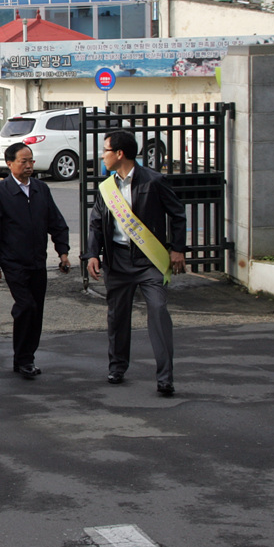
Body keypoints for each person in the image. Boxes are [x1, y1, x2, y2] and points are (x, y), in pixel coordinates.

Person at [82, 130, 187, 396]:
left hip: (149, 261)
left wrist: (177, 249)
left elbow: (177, 214)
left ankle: (165, 378)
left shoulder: (154, 181)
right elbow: (95, 223)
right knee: (117, 317)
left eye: (105, 150)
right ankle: (117, 366)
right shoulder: (107, 187)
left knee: (159, 311)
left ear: (119, 154)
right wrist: (92, 254)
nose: (102, 156)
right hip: (117, 261)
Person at [0, 143, 70, 379]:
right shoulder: (0, 193)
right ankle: (23, 359)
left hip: (37, 262)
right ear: (10, 163)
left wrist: (63, 252)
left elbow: (57, 223)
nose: (29, 165)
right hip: (13, 263)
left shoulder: (41, 189)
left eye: (31, 161)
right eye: (23, 161)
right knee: (26, 307)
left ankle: (26, 358)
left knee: (36, 311)